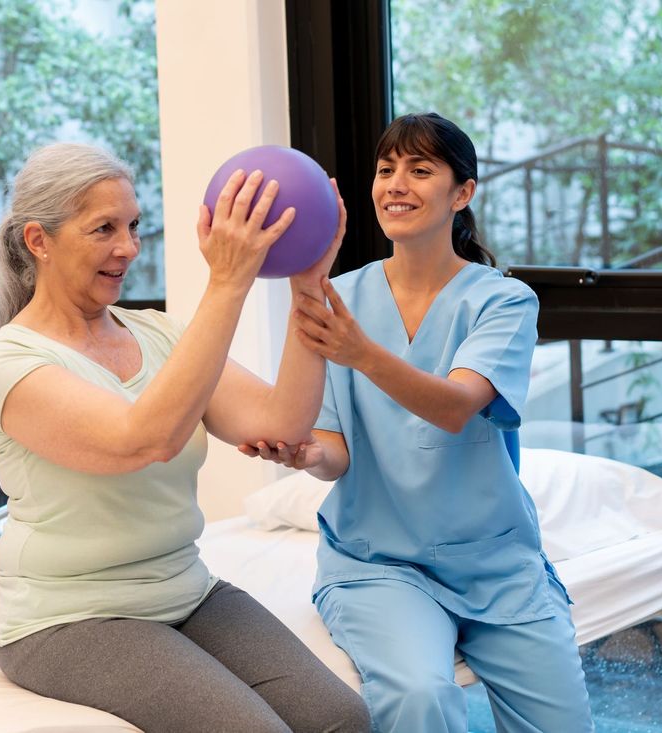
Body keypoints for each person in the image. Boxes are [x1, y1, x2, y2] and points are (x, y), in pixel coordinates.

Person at [0, 142, 369, 733]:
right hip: (69, 618)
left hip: (185, 589)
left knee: (341, 718)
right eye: (104, 228)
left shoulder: (157, 334)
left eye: (132, 225)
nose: (128, 247)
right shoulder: (10, 362)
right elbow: (142, 439)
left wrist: (307, 283)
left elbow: (283, 420)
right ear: (39, 241)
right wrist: (228, 283)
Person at [242, 113, 595, 732]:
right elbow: (335, 450)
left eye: (420, 169)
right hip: (382, 566)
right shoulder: (337, 301)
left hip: (495, 565)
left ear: (463, 193)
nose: (395, 184)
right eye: (385, 170)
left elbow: (457, 406)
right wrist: (300, 454)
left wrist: (360, 352)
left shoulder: (503, 301)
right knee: (419, 697)